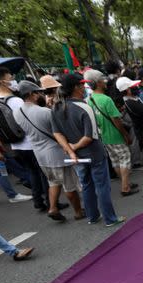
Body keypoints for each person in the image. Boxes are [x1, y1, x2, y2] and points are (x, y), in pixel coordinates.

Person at [51, 73, 125, 226]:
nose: (84, 88)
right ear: (76, 88)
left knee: (86, 184)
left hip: (77, 156)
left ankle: (92, 216)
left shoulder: (56, 107)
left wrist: (71, 150)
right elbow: (89, 136)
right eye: (81, 85)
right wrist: (74, 147)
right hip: (94, 153)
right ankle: (110, 218)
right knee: (102, 186)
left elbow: (57, 133)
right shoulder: (84, 106)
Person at [14, 80, 85, 221]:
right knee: (69, 185)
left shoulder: (17, 112)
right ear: (31, 94)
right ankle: (78, 211)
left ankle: (52, 208)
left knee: (53, 182)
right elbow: (59, 131)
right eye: (38, 92)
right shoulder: (45, 112)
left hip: (39, 154)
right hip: (56, 153)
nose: (41, 95)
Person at [0, 67, 50, 211]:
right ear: (2, 82)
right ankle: (49, 202)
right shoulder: (16, 101)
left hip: (15, 145)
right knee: (42, 174)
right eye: (10, 79)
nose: (13, 81)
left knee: (32, 172)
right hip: (29, 142)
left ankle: (39, 200)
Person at [83, 70, 138, 197]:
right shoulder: (106, 99)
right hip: (115, 135)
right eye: (103, 80)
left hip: (104, 136)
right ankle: (125, 187)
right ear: (98, 83)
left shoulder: (90, 99)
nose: (105, 82)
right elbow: (117, 120)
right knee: (124, 159)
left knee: (115, 161)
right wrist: (125, 135)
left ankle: (126, 183)